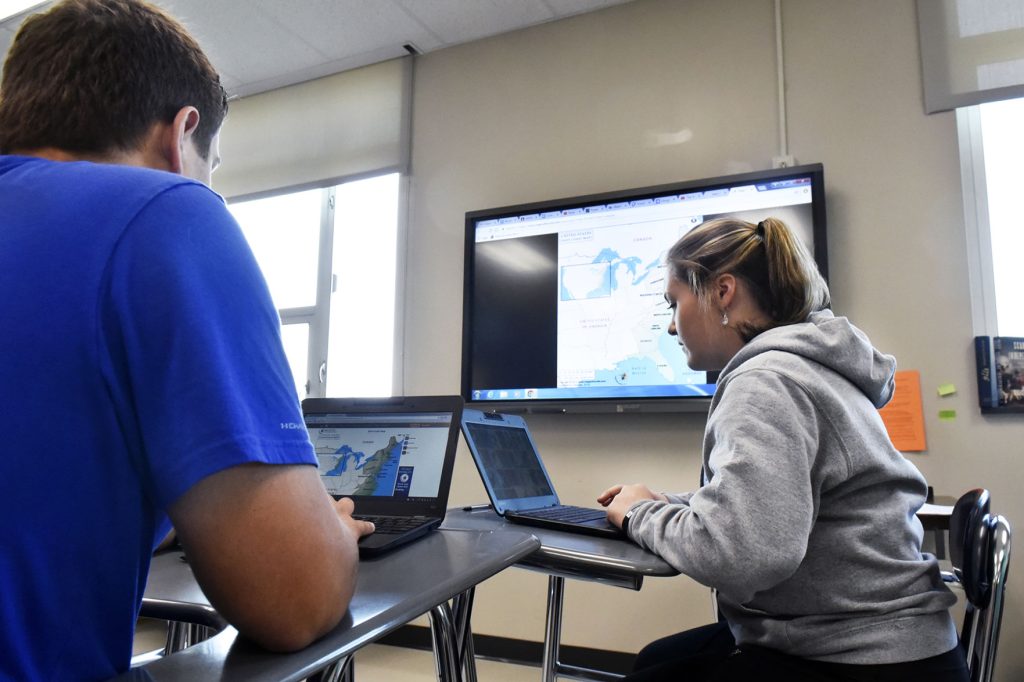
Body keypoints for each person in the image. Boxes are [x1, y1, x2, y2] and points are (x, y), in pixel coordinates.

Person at [0, 1, 373, 680]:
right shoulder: (165, 212)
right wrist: (335, 539)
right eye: (213, 165)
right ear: (182, 135)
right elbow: (292, 598)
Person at [598, 217, 968, 681]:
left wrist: (639, 515)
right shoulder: (809, 367)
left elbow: (742, 556)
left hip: (862, 658)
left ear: (723, 292)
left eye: (675, 303)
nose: (672, 327)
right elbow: (772, 503)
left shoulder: (765, 382)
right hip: (895, 645)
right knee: (656, 658)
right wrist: (668, 503)